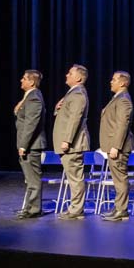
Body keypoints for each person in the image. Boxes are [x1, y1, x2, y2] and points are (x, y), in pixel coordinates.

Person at [53, 64, 90, 220]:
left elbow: (75, 119)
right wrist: (57, 108)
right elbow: (65, 115)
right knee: (72, 177)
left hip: (73, 145)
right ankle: (74, 208)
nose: (66, 75)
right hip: (69, 144)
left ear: (79, 78)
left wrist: (67, 140)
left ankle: (76, 209)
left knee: (75, 178)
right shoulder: (72, 93)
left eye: (70, 73)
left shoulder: (78, 93)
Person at [99, 71, 134, 222]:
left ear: (122, 83)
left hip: (118, 146)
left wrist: (116, 146)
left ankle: (121, 210)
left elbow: (122, 124)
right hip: (113, 145)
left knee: (120, 179)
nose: (110, 82)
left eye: (114, 79)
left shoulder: (123, 100)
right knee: (117, 179)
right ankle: (119, 206)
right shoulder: (118, 98)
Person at [14, 69, 47, 219]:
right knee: (30, 178)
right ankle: (29, 207)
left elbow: (31, 123)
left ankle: (34, 209)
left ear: (31, 82)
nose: (21, 80)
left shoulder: (34, 97)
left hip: (31, 145)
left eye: (24, 78)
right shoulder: (29, 96)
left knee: (33, 178)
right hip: (28, 145)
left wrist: (23, 145)